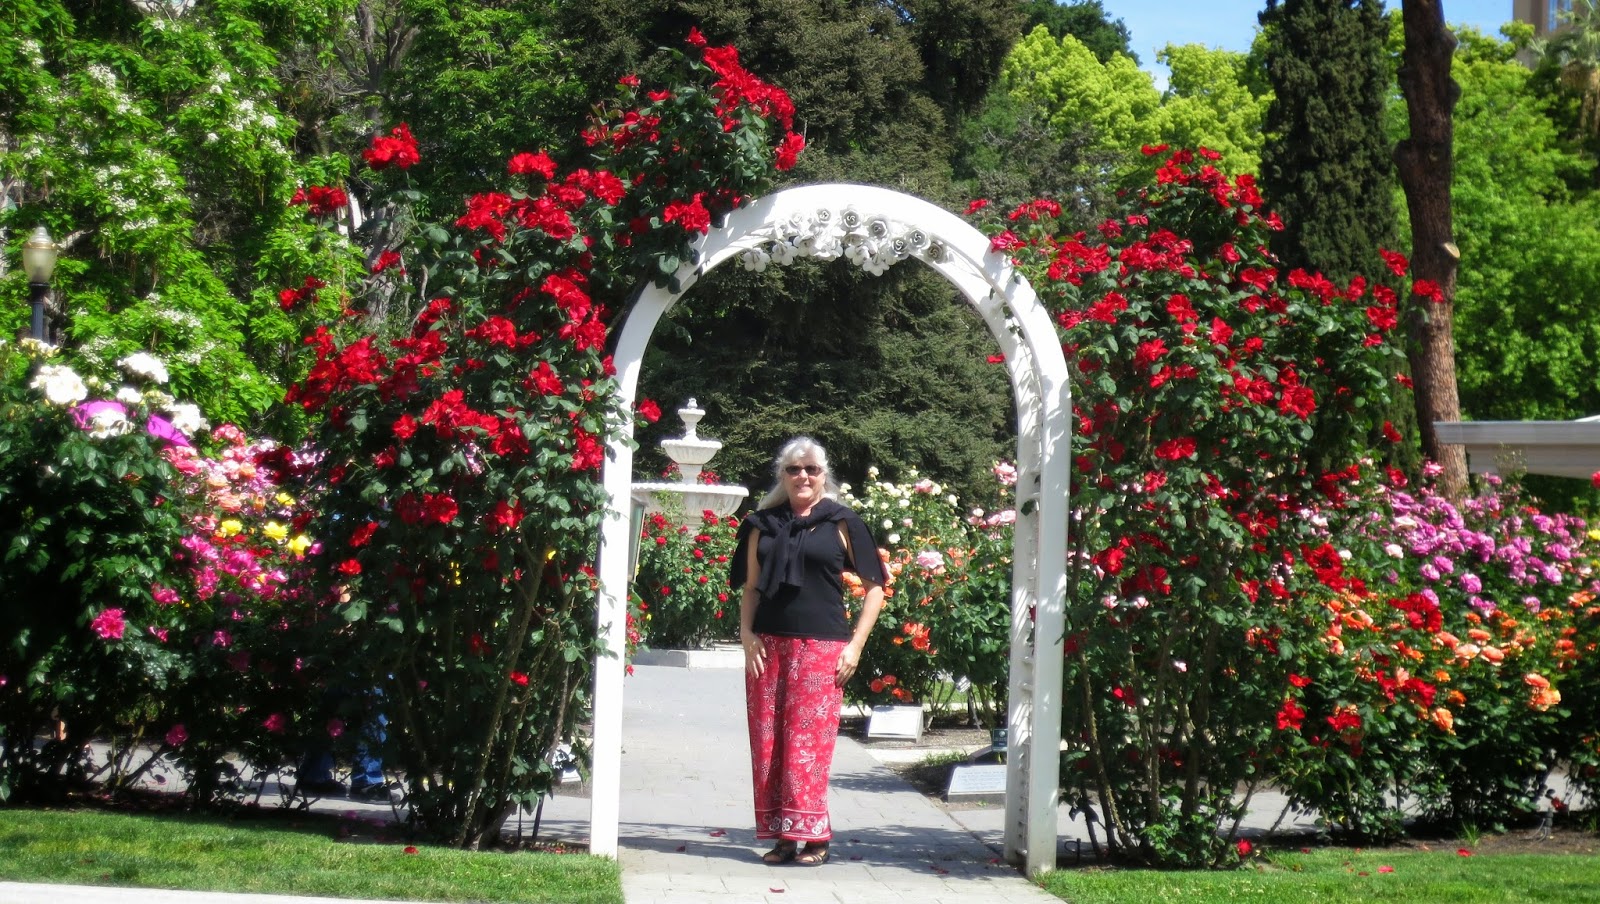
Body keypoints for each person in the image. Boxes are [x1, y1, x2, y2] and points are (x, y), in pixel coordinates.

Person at [730, 436, 887, 866]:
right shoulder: (762, 524)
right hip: (767, 647)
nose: (803, 476)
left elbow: (875, 589)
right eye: (794, 469)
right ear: (782, 475)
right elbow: (750, 589)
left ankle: (815, 837)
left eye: (811, 469)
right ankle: (783, 837)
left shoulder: (842, 522)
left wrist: (855, 646)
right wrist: (746, 635)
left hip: (821, 648)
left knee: (808, 746)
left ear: (824, 475)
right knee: (768, 746)